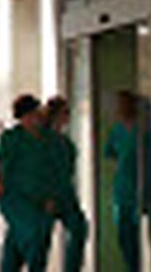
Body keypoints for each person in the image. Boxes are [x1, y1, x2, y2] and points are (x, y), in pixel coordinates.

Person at [0, 94, 60, 272]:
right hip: (15, 200)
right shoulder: (12, 138)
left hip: (40, 200)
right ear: (24, 117)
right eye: (33, 114)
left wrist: (51, 196)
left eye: (38, 113)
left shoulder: (46, 139)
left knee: (27, 239)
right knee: (33, 234)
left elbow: (52, 170)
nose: (37, 118)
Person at [43, 95, 89, 272]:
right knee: (40, 241)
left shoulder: (65, 143)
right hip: (46, 195)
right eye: (65, 113)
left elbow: (67, 171)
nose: (68, 117)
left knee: (80, 229)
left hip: (65, 195)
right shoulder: (43, 141)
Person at [105, 90, 148, 272]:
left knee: (139, 237)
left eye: (123, 104)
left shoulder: (143, 130)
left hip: (140, 189)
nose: (119, 109)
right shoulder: (117, 131)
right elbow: (111, 154)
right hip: (122, 191)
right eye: (118, 106)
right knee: (124, 238)